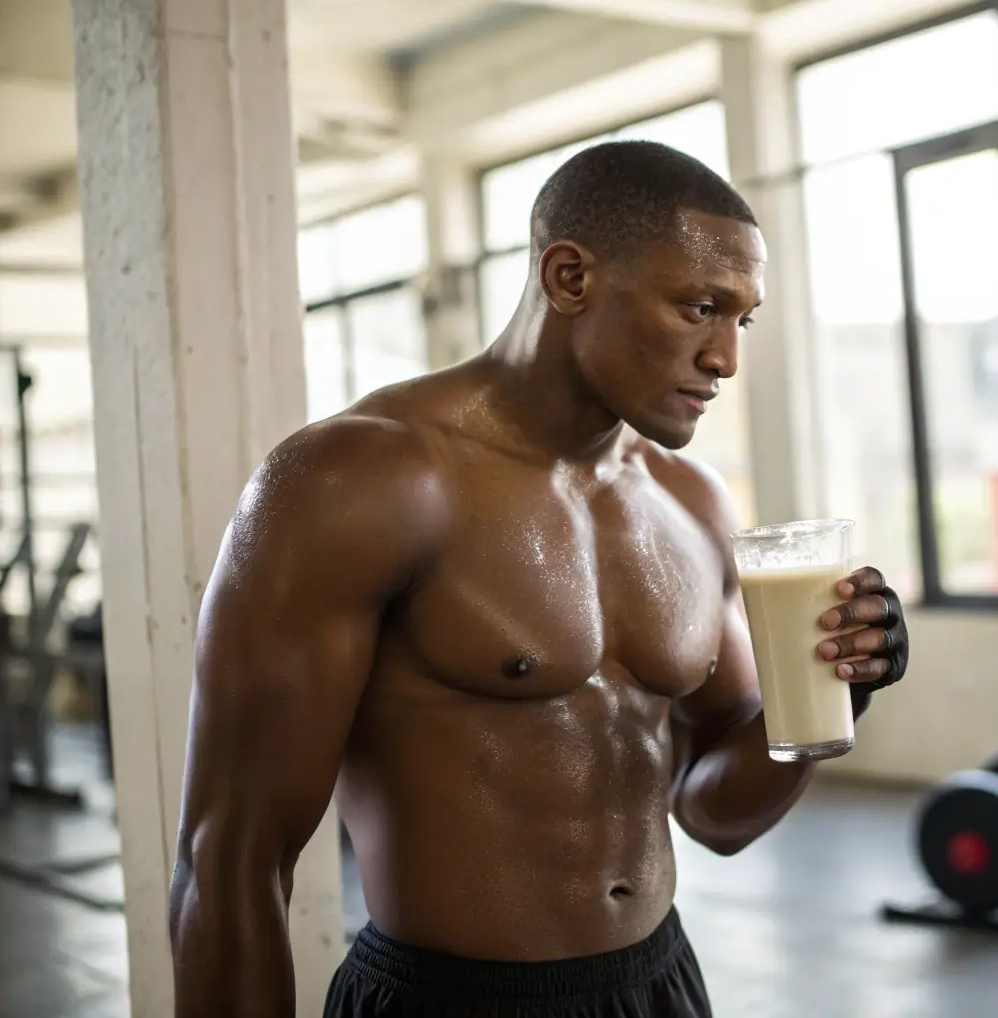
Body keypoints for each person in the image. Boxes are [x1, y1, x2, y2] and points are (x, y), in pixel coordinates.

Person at [168, 140, 910, 1018]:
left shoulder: (693, 504)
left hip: (657, 987)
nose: (724, 359)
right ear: (568, 278)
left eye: (739, 320)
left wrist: (835, 689)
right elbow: (232, 859)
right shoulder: (358, 481)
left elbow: (714, 812)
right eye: (698, 308)